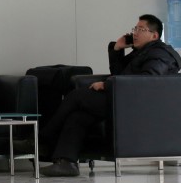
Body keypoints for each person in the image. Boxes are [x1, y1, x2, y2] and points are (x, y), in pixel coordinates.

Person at [39, 14, 181, 177]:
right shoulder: (142, 52)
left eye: (141, 29)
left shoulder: (161, 54)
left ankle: (42, 139)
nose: (135, 33)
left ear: (154, 35)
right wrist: (117, 49)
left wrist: (107, 84)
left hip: (137, 106)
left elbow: (147, 82)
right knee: (79, 116)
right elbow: (120, 74)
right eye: (135, 29)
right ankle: (67, 162)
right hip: (122, 100)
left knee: (76, 97)